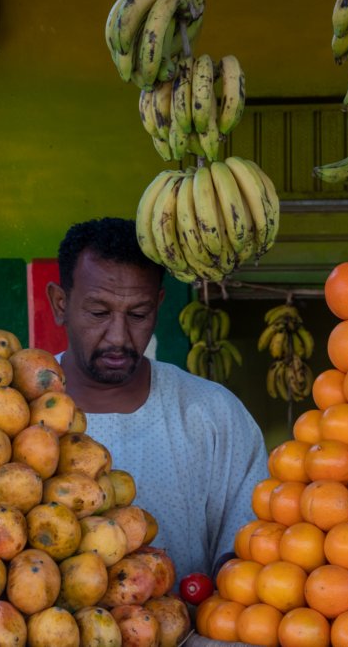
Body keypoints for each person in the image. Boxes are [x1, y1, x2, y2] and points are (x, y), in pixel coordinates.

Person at [46, 217, 270, 584]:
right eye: (99, 313)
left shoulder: (213, 414)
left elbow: (250, 547)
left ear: (158, 305)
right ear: (60, 303)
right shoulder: (17, 417)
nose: (118, 336)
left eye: (138, 314)